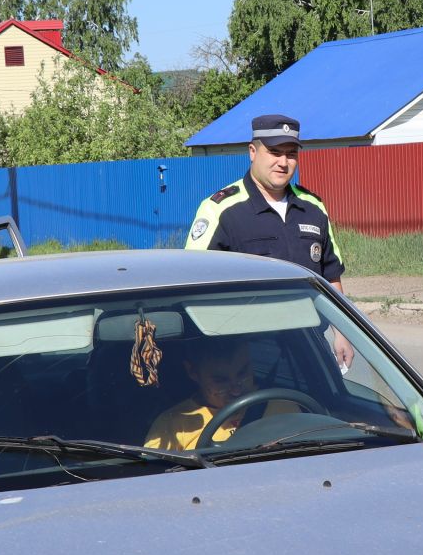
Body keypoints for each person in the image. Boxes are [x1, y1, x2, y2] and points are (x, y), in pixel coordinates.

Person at [185, 113, 354, 368]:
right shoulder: (221, 210)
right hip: (245, 354)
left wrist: (342, 333)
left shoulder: (313, 207)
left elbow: (330, 277)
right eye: (274, 152)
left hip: (309, 345)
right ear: (253, 151)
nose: (283, 162)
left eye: (291, 154)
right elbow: (193, 284)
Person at [144, 339, 300, 451]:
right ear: (192, 372)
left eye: (242, 373)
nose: (236, 390)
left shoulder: (282, 405)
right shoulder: (173, 427)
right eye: (220, 381)